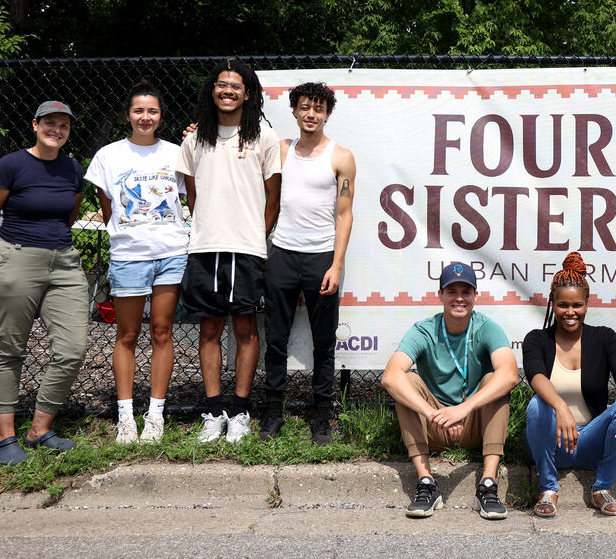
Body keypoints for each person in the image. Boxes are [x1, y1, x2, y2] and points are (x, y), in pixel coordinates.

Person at [0, 101, 89, 465]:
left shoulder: (72, 168)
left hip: (64, 262)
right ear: (35, 124)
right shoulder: (11, 165)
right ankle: (5, 435)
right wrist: (6, 254)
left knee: (72, 348)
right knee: (9, 348)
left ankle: (39, 429)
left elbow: (69, 214)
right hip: (15, 256)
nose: (57, 130)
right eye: (50, 123)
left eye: (64, 125)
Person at [177, 60, 281, 443]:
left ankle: (239, 411)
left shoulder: (264, 138)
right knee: (208, 329)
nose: (228, 91)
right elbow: (192, 192)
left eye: (236, 86)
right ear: (212, 91)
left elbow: (274, 197)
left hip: (247, 247)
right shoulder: (194, 139)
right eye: (221, 84)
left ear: (248, 93)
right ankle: (213, 409)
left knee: (245, 329)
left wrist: (256, 234)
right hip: (205, 245)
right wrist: (209, 224)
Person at [85, 81, 189, 444]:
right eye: (139, 111)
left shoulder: (178, 153)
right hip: (129, 255)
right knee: (126, 334)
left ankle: (155, 415)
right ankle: (126, 415)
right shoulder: (108, 155)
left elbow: (191, 197)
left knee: (162, 331)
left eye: (153, 111)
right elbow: (108, 207)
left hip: (171, 252)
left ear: (161, 116)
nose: (146, 117)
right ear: (127, 115)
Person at [380, 262, 518, 520]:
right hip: (435, 426)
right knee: (406, 381)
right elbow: (389, 377)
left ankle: (487, 485)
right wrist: (433, 413)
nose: (459, 298)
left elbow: (510, 375)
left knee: (494, 380)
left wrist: (463, 409)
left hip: (474, 424)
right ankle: (426, 483)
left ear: (475, 296)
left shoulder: (486, 327)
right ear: (440, 295)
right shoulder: (425, 329)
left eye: (466, 291)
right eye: (451, 291)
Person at [259, 82, 356, 445]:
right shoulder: (280, 150)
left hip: (321, 259)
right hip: (282, 253)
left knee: (323, 344)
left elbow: (344, 215)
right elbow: (238, 149)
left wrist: (337, 265)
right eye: (304, 107)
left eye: (318, 108)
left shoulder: (341, 156)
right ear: (295, 111)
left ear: (327, 113)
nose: (311, 114)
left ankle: (321, 418)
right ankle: (272, 414)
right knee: (276, 341)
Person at [522, 252, 616, 518]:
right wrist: (560, 406)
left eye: (577, 305)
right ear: (552, 303)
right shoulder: (536, 339)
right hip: (550, 444)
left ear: (587, 303)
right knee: (536, 405)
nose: (570, 312)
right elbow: (536, 376)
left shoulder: (604, 338)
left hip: (589, 442)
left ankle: (602, 488)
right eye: (563, 305)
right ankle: (548, 489)